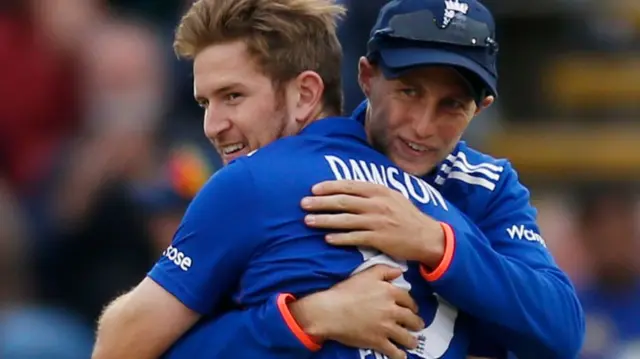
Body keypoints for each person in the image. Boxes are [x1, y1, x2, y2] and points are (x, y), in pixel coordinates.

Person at [94, 1, 585, 359]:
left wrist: (434, 243)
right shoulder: (281, 177)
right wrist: (311, 316)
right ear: (367, 77)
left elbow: (560, 328)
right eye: (409, 91)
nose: (421, 126)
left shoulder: (484, 187)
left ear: (482, 109)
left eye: (452, 105)